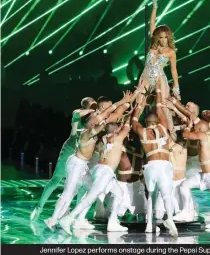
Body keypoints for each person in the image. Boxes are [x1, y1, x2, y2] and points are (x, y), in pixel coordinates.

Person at [44, 93, 134, 230]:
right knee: (69, 192)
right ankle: (54, 219)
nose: (97, 119)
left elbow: (108, 117)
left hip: (83, 166)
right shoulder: (87, 131)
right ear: (90, 121)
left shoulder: (92, 128)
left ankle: (74, 218)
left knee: (88, 188)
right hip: (76, 164)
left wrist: (127, 105)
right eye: (94, 118)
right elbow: (105, 118)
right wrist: (123, 104)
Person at [58, 118, 132, 235]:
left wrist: (119, 124)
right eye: (118, 129)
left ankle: (112, 223)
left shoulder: (103, 139)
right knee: (90, 197)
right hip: (105, 172)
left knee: (119, 193)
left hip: (102, 170)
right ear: (115, 131)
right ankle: (68, 219)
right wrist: (136, 109)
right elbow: (127, 127)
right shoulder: (117, 138)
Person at [30, 97, 96, 221]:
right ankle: (39, 207)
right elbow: (77, 113)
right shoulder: (78, 114)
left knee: (80, 184)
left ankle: (69, 212)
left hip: (81, 154)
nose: (95, 107)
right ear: (86, 106)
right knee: (56, 180)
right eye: (93, 105)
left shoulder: (93, 118)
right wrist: (93, 111)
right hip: (69, 151)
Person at [132, 79, 178, 237]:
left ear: (146, 122)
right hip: (164, 165)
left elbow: (134, 120)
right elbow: (160, 108)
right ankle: (170, 219)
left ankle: (149, 224)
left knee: (150, 194)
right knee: (166, 195)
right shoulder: (163, 128)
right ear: (157, 121)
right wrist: (159, 89)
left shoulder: (142, 131)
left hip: (150, 167)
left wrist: (140, 103)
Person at [138, 0, 180, 131]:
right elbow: (152, 23)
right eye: (161, 37)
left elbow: (174, 70)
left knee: (162, 106)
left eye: (165, 37)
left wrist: (176, 88)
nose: (163, 40)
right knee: (139, 104)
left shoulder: (171, 52)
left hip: (159, 79)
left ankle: (169, 133)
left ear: (169, 37)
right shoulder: (153, 45)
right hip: (145, 77)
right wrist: (155, 7)